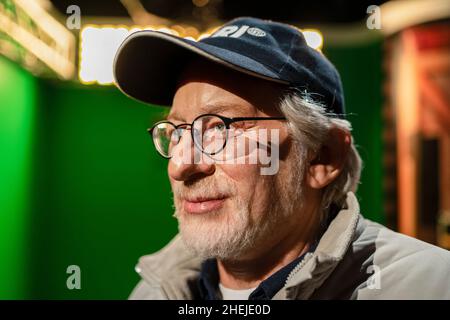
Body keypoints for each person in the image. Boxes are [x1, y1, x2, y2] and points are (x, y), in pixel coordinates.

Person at [113, 17, 450, 300]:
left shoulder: (428, 285)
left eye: (219, 128)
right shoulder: (154, 291)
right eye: (177, 131)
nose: (180, 165)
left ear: (323, 157)